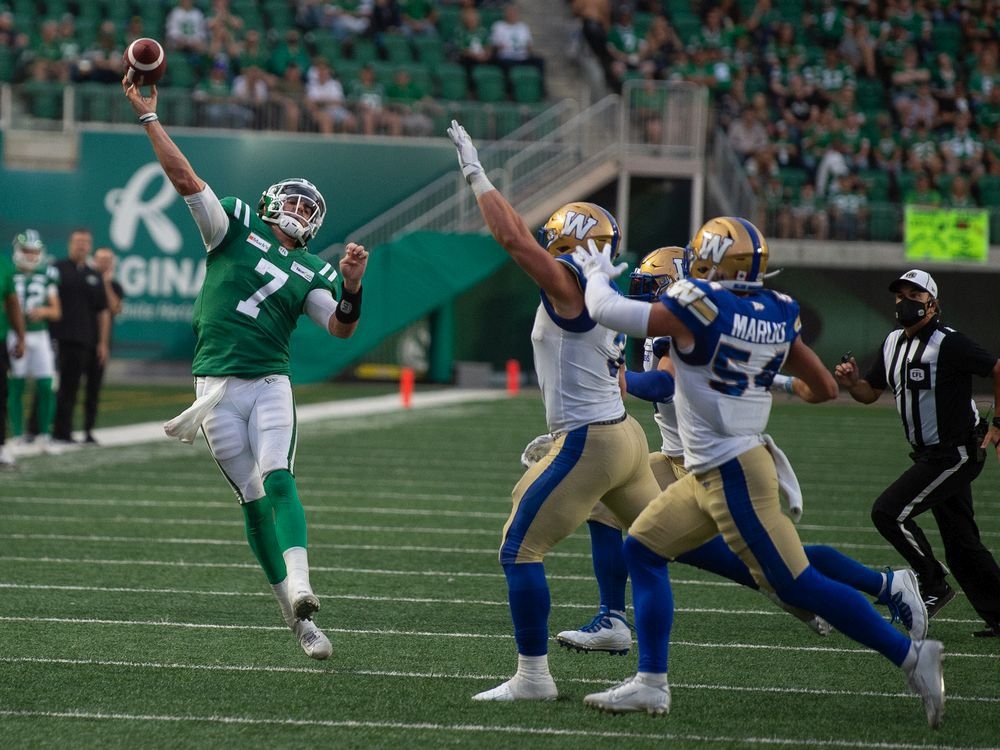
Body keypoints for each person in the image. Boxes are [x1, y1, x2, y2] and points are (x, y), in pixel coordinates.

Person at [446, 122, 916, 700]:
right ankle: (766, 601)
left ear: (568, 242)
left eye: (555, 238)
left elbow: (515, 240)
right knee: (687, 549)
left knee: (519, 548)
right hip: (622, 439)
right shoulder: (602, 288)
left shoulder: (573, 285)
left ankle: (534, 678)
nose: (545, 244)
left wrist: (477, 173)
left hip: (596, 440)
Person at [571, 217, 945, 729]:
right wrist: (759, 381)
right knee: (642, 547)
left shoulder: (697, 305)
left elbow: (606, 310)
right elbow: (822, 388)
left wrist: (593, 271)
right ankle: (651, 684)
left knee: (797, 585)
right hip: (713, 468)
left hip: (732, 472)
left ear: (710, 261)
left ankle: (909, 654)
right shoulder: (777, 309)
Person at [123, 75, 371, 661]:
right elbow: (185, 180)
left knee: (279, 479)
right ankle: (295, 616)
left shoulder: (315, 268)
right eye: (293, 201)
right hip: (213, 389)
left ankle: (305, 586)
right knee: (253, 500)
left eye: (310, 208)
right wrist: (149, 118)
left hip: (267, 383)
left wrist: (354, 286)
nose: (300, 213)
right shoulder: (231, 224)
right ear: (269, 203)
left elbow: (338, 326)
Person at [834, 269, 1000, 638]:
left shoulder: (948, 342)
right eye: (900, 294)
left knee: (889, 512)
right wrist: (852, 383)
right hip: (929, 454)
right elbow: (869, 392)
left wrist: (999, 422)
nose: (905, 300)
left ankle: (933, 584)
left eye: (914, 294)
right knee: (962, 543)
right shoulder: (893, 342)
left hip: (956, 452)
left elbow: (997, 368)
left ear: (932, 303)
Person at [50, 228, 109, 445]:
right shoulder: (57, 269)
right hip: (61, 338)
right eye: (78, 241)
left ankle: (78, 430)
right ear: (70, 244)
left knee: (83, 388)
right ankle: (56, 431)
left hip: (87, 340)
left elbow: (103, 311)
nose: (81, 245)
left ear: (90, 246)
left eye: (85, 242)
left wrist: (102, 342)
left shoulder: (94, 275)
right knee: (60, 387)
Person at [8, 230, 60, 451]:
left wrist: (43, 311)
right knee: (16, 385)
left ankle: (44, 436)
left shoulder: (47, 273)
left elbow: (56, 311)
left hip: (40, 335)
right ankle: (18, 435)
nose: (30, 256)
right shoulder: (8, 272)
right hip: (14, 334)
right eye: (27, 251)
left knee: (46, 386)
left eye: (34, 251)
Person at [82, 247, 123, 445]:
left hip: (101, 343)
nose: (104, 263)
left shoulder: (113, 285)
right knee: (68, 388)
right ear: (94, 261)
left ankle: (88, 430)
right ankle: (60, 430)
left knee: (93, 389)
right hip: (80, 340)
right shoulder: (85, 280)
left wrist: (105, 283)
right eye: (100, 259)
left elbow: (115, 308)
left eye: (107, 260)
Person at [0, 241, 26, 468]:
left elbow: (12, 303)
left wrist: (21, 335)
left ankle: (0, 447)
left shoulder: (4, 265)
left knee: (1, 394)